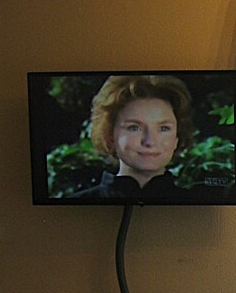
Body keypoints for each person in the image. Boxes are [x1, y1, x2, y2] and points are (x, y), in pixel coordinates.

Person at [69, 74, 199, 201]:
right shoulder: (74, 207)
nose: (150, 141)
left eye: (164, 128)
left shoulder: (198, 207)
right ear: (110, 135)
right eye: (134, 128)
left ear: (177, 138)